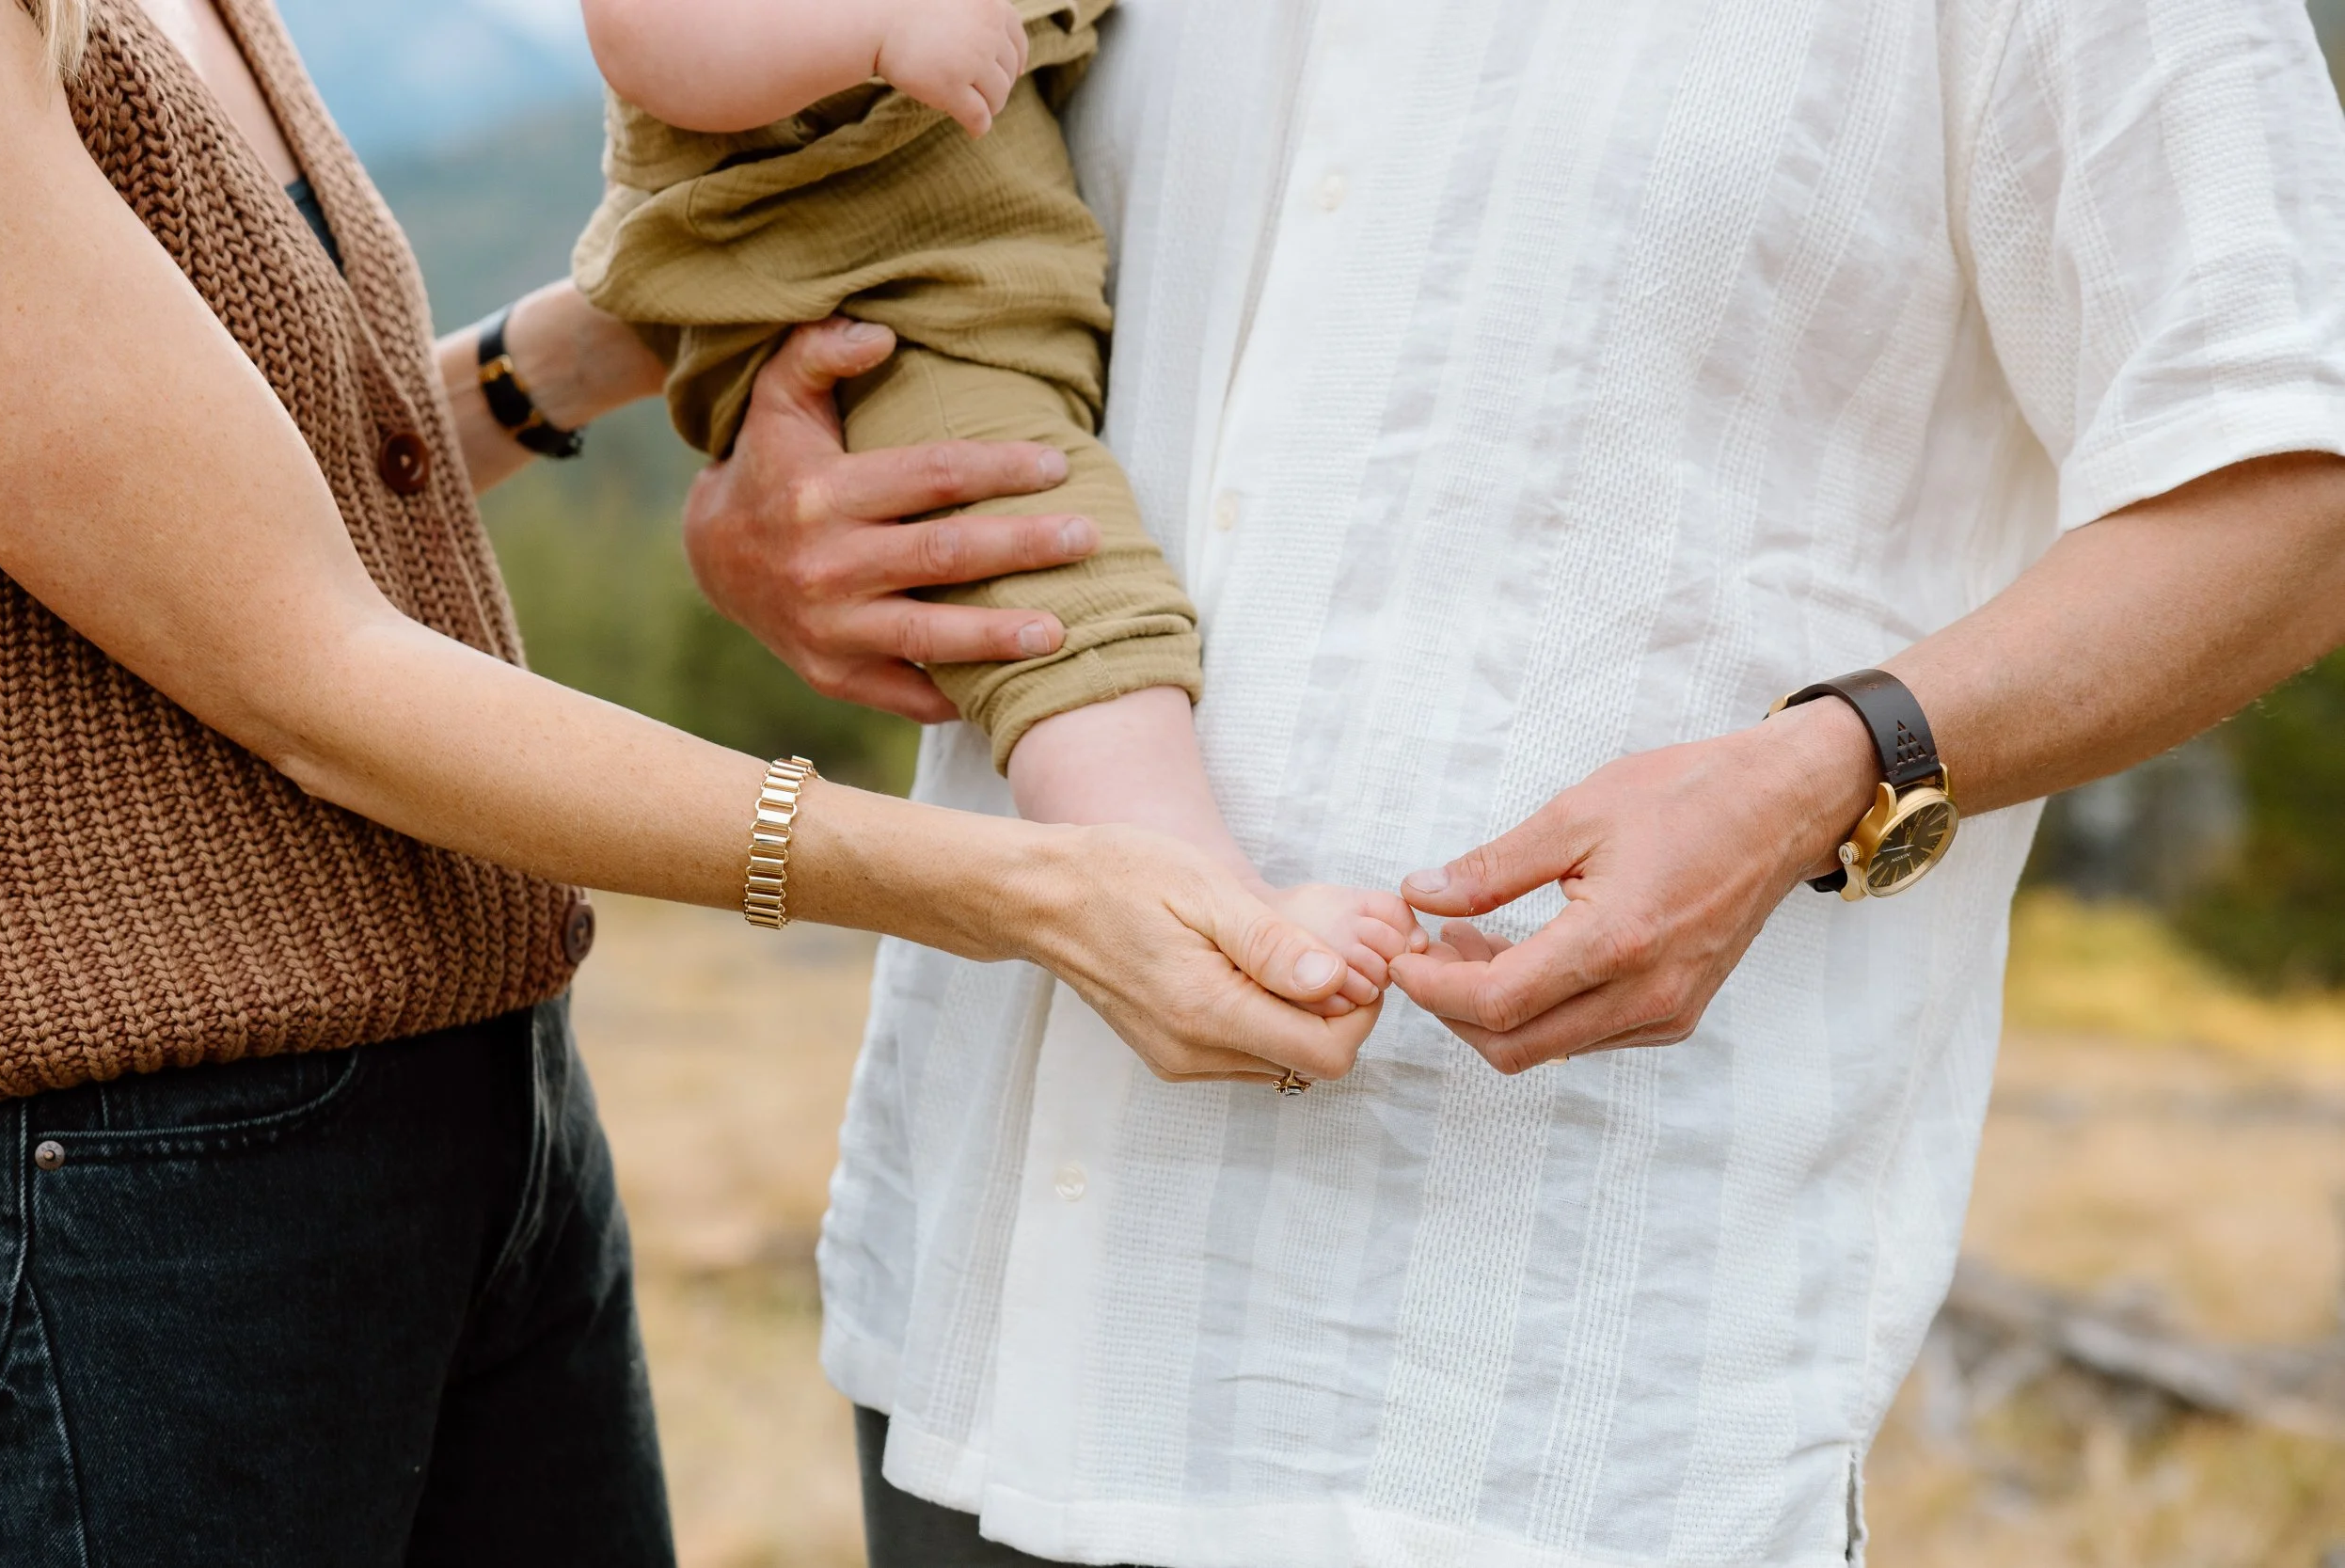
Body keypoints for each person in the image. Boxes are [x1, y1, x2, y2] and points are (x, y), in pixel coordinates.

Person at [686, 0, 2345, 1562]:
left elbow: (2292, 495)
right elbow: (889, 220)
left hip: (1542, 1396)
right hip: (976, 1318)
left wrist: (1826, 766)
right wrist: (773, 510)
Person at [0, 1, 1382, 1561]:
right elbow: (305, 667)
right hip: (142, 1192)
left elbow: (224, 496)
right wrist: (1031, 886)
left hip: (484, 1110)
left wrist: (627, 328)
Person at [572, 0, 1420, 1019]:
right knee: (1054, 591)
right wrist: (879, 32)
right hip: (881, 305)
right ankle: (1212, 905)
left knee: (1028, 547)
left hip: (987, 272)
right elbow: (644, 36)